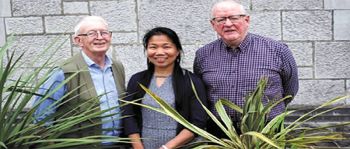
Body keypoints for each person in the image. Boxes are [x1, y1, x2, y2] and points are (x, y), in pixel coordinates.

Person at [193, 0, 299, 138]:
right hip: (220, 134)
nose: (228, 24)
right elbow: (201, 91)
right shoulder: (203, 54)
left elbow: (290, 90)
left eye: (234, 18)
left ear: (246, 20)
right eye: (221, 20)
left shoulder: (277, 50)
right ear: (213, 25)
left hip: (267, 131)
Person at [33, 16, 127, 148]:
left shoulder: (117, 67)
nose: (100, 37)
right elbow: (41, 119)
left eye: (104, 32)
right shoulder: (63, 72)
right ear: (78, 40)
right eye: (92, 33)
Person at [122, 27, 207, 149]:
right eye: (153, 47)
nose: (160, 52)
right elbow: (128, 116)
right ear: (147, 50)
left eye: (166, 47)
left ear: (177, 51)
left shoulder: (192, 81)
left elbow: (198, 122)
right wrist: (138, 146)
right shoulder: (137, 80)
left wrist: (167, 147)